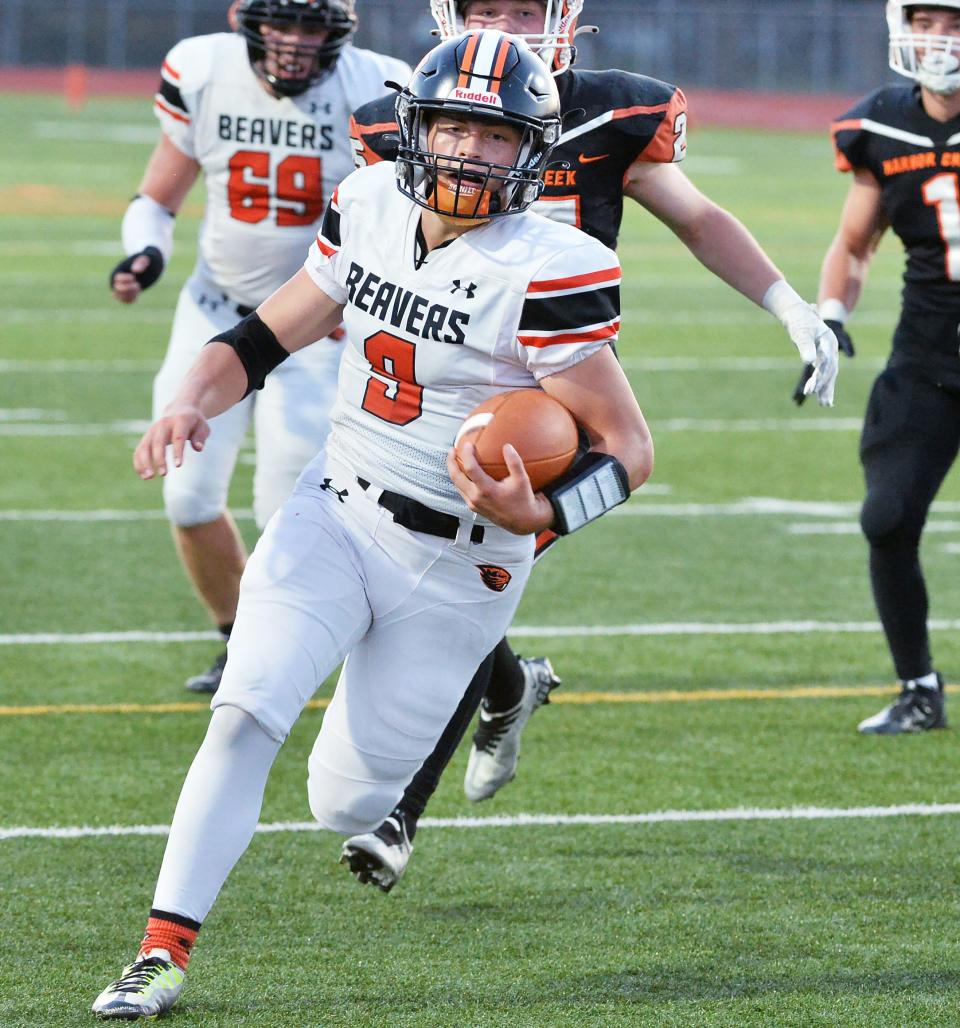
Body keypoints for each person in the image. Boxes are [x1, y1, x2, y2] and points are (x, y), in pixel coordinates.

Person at [91, 31, 654, 1019]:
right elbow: (272, 330)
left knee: (345, 804)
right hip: (336, 507)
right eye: (453, 126)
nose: (468, 152)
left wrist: (547, 509)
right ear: (417, 126)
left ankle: (503, 681)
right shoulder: (366, 203)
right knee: (247, 708)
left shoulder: (551, 264)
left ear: (530, 150)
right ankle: (160, 949)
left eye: (493, 136)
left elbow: (630, 450)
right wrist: (194, 394)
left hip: (461, 562)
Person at [338, 0, 841, 893]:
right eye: (487, 8)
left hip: (552, 396)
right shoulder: (411, 115)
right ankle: (506, 688)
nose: (507, 23)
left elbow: (697, 219)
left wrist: (791, 307)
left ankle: (398, 811)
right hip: (431, 377)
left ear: (564, 14)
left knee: (463, 575)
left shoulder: (611, 112)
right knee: (423, 578)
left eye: (522, 8)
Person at [109, 0, 409, 693]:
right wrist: (146, 254)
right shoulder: (204, 69)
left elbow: (404, 214)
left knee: (286, 510)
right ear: (247, 18)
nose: (296, 42)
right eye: (283, 23)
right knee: (186, 498)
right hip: (216, 312)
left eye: (313, 26)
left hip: (315, 329)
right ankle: (236, 635)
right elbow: (157, 196)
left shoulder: (379, 87)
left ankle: (283, 656)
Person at [815, 0, 960, 735]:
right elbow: (856, 242)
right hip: (931, 354)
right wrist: (831, 314)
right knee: (888, 515)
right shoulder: (882, 122)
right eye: (927, 21)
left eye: (954, 23)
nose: (938, 38)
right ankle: (919, 689)